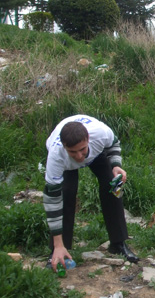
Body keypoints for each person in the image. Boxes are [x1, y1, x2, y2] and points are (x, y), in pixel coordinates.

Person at [43, 115, 139, 272]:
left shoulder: (101, 133)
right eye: (73, 152)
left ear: (88, 139)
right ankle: (58, 250)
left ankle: (118, 243)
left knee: (114, 183)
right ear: (64, 146)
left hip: (94, 154)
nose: (79, 156)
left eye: (82, 150)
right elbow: (52, 201)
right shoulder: (56, 155)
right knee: (66, 194)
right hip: (67, 165)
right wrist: (57, 244)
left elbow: (114, 143)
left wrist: (116, 164)